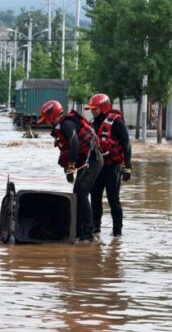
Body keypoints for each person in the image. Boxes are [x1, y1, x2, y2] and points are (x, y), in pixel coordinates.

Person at [38, 100, 104, 242]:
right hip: (88, 160)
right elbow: (71, 148)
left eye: (47, 120)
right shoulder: (64, 124)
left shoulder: (66, 124)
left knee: (81, 195)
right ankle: (80, 232)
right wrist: (69, 170)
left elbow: (75, 143)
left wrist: (71, 165)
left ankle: (88, 235)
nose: (47, 123)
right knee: (78, 194)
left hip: (92, 160)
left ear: (51, 116)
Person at [86, 93, 132, 236]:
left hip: (113, 166)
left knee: (113, 199)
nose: (93, 111)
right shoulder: (93, 123)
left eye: (95, 108)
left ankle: (117, 232)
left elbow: (126, 144)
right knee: (95, 197)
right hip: (97, 167)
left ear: (104, 107)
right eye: (92, 109)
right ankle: (95, 228)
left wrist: (128, 166)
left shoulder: (117, 122)